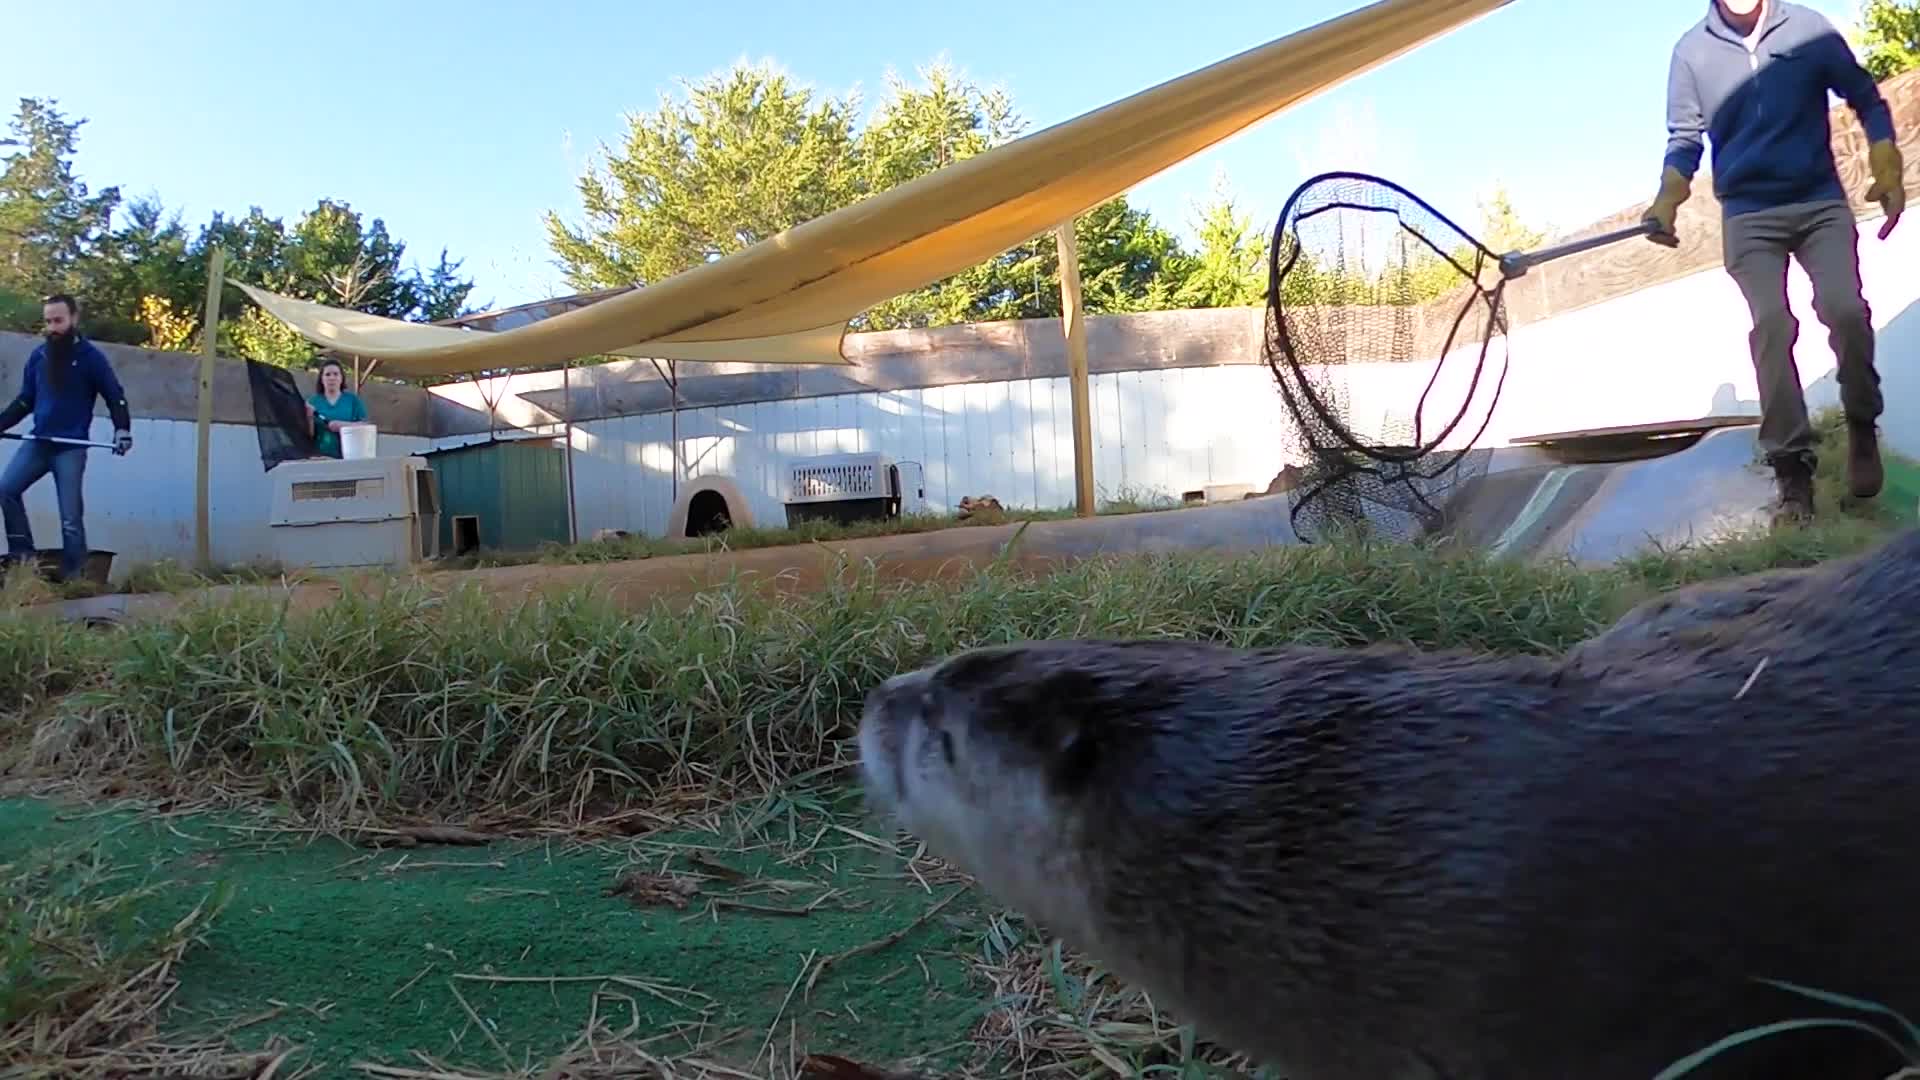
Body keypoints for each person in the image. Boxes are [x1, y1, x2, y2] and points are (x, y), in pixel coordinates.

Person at [1643, 0, 1906, 525]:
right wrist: (1669, 196)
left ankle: (1860, 423)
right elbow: (1684, 139)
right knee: (1771, 325)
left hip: (1818, 201)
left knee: (1845, 310)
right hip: (1748, 214)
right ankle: (1793, 474)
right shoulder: (1692, 52)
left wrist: (1885, 159)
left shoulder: (1807, 29)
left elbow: (1865, 98)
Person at [0, 294, 132, 581]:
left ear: (74, 318)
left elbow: (114, 396)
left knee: (70, 517)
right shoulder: (39, 356)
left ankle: (76, 577)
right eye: (48, 321)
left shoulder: (91, 358)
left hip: (70, 447)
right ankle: (24, 560)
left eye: (58, 320)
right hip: (38, 442)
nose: (52, 327)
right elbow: (25, 400)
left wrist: (122, 429)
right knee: (6, 488)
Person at [305, 358, 369, 458]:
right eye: (327, 374)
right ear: (321, 379)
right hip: (320, 458)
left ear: (341, 378)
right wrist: (309, 418)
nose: (332, 378)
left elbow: (365, 426)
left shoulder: (352, 400)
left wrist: (342, 425)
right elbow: (308, 435)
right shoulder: (313, 402)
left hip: (350, 456)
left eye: (336, 374)